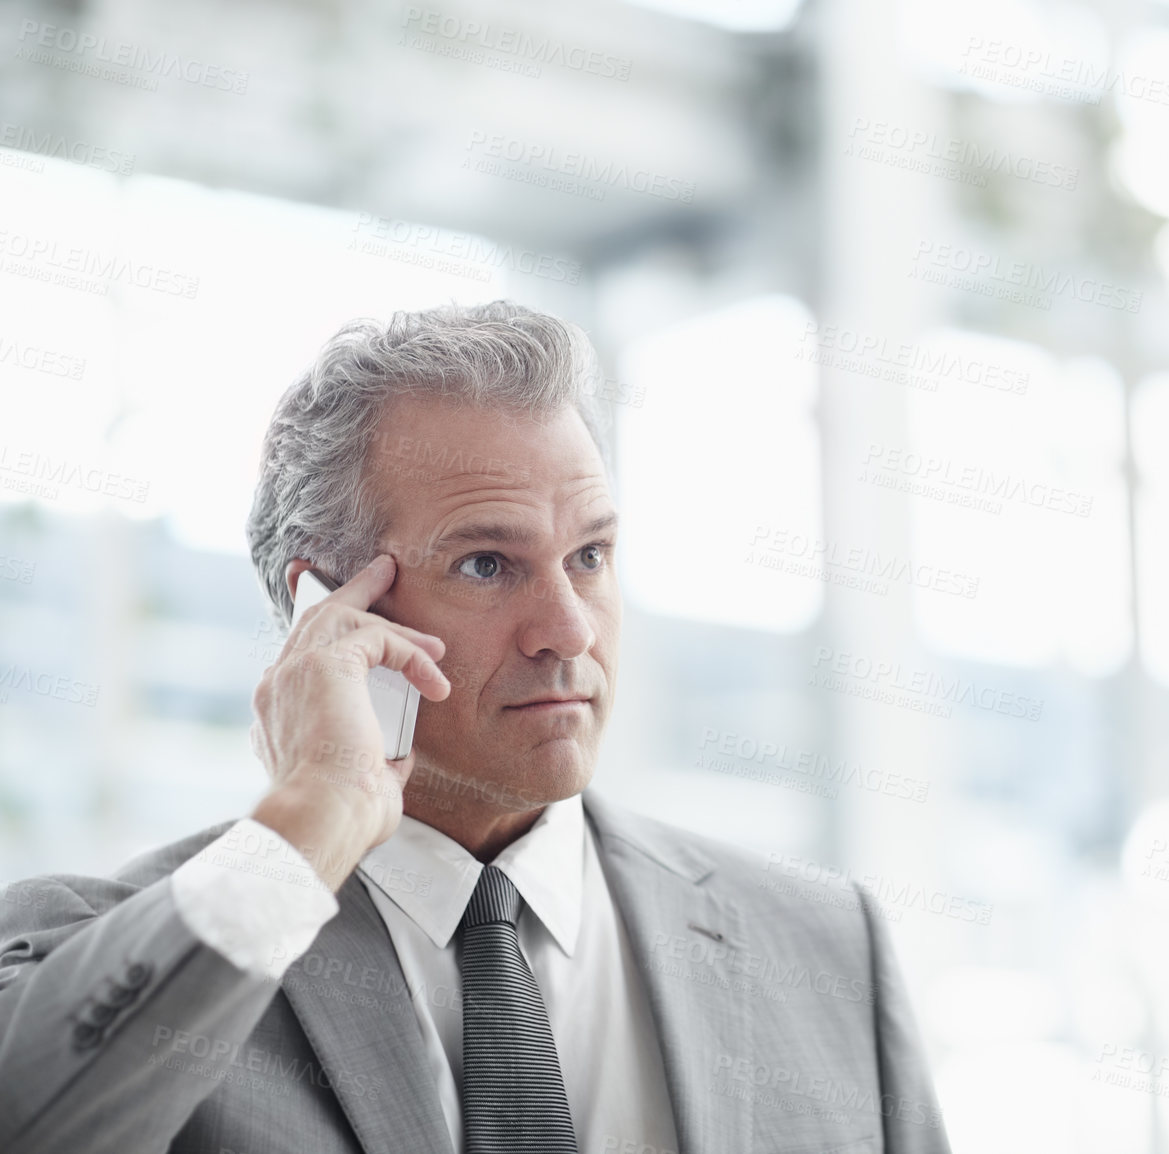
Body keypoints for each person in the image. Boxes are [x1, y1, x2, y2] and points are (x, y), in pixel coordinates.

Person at [0, 301, 950, 1154]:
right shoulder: (106, 945)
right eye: (489, 565)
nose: (570, 629)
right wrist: (316, 814)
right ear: (326, 613)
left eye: (590, 555)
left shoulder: (826, 947)